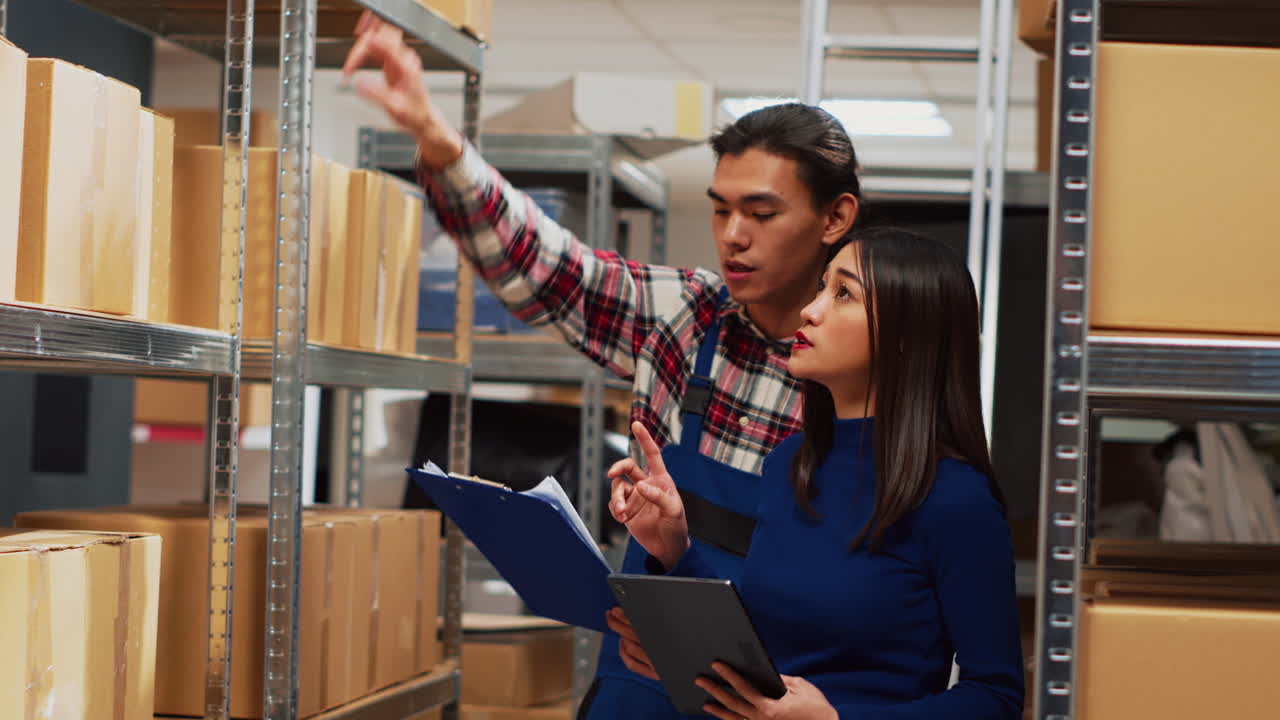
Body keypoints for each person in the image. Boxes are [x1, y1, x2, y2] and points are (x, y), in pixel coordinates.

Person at [344, 11, 863, 718]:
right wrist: (439, 140)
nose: (733, 236)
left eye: (761, 213)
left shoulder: (864, 371)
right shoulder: (685, 316)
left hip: (770, 699)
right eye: (720, 211)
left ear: (834, 218)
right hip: (638, 683)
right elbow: (551, 267)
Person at [608, 226, 1025, 720]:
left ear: (905, 337)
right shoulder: (790, 463)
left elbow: (996, 697)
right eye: (823, 286)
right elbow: (771, 654)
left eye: (844, 293)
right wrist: (674, 553)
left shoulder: (955, 498)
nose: (810, 310)